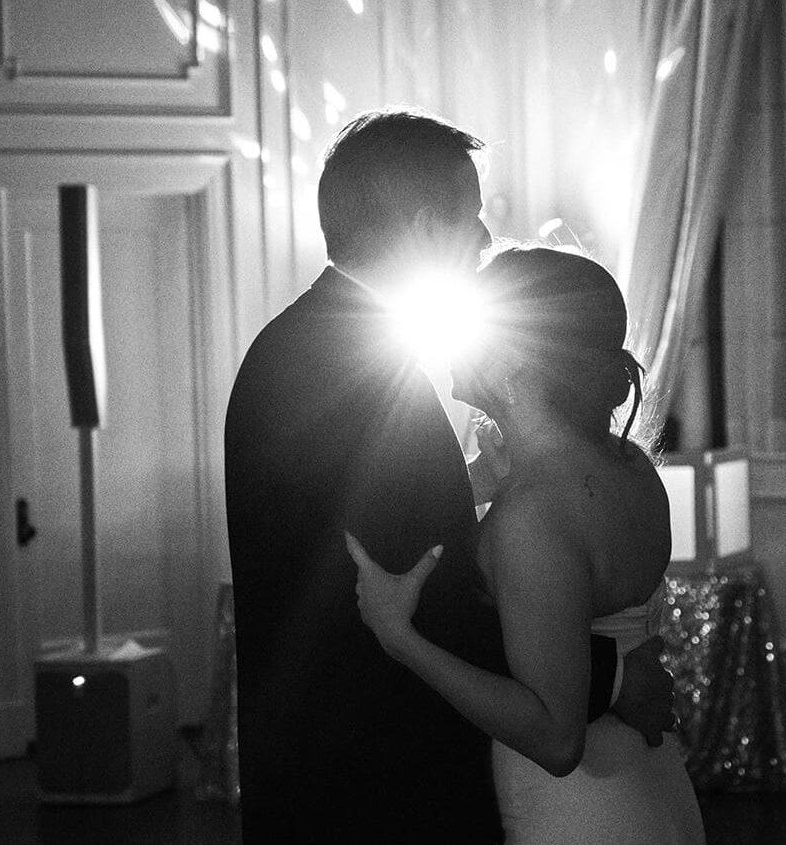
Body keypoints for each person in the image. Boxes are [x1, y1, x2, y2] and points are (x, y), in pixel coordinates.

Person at [224, 107, 677, 844]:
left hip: (369, 763)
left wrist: (464, 483)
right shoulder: (337, 368)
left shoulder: (325, 350)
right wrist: (614, 677)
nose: (482, 238)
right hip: (366, 784)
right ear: (426, 224)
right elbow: (419, 591)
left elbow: (387, 533)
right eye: (469, 216)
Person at [349, 245, 707, 845]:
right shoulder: (629, 466)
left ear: (515, 362)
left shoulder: (533, 514)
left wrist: (400, 637)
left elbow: (556, 737)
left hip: (579, 812)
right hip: (652, 785)